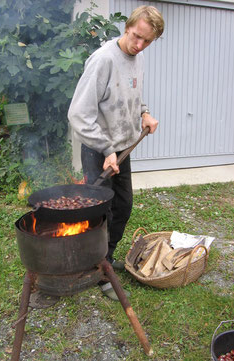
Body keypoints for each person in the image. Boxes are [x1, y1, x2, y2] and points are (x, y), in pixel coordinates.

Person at [68, 5, 164, 300]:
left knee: (123, 206)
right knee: (100, 214)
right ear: (128, 26)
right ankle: (96, 270)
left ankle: (104, 261)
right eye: (136, 37)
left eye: (147, 41)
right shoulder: (103, 60)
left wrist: (144, 113)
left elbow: (130, 93)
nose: (139, 45)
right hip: (100, 151)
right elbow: (79, 114)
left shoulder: (139, 57)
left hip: (122, 148)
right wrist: (107, 149)